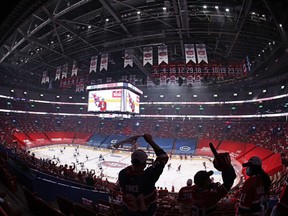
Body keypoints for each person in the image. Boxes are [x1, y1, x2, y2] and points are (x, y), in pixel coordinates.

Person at [117, 133, 168, 216]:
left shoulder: (122, 174)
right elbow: (163, 157)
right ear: (145, 163)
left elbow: (130, 169)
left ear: (131, 162)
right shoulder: (149, 176)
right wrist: (150, 141)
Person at [189, 142, 236, 216]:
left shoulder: (193, 192)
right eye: (208, 178)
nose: (210, 179)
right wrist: (227, 167)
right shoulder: (210, 196)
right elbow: (228, 183)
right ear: (206, 182)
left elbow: (200, 187)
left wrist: (210, 186)